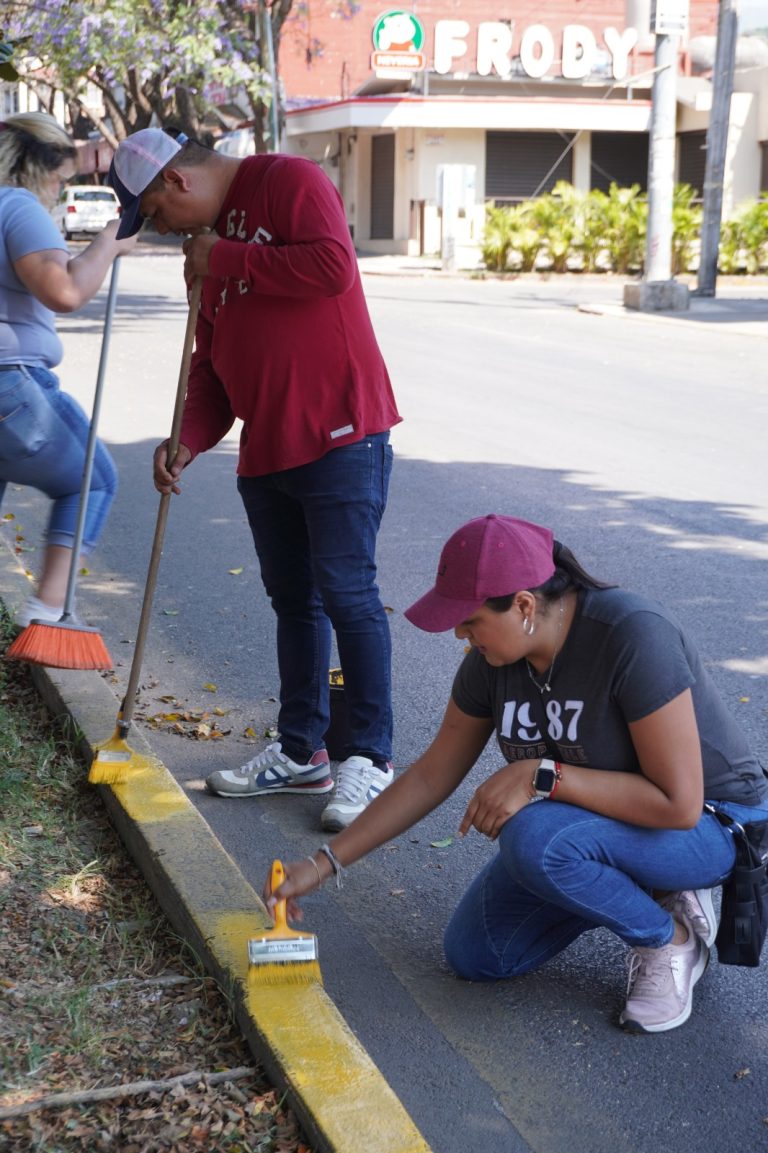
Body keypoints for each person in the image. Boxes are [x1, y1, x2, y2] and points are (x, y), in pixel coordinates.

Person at [267, 514, 768, 1034]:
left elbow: (678, 804)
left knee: (534, 838)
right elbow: (430, 776)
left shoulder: (632, 635)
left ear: (524, 605)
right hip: (602, 820)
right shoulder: (491, 664)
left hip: (710, 822)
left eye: (470, 620)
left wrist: (542, 776)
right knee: (478, 953)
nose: (460, 634)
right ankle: (641, 881)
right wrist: (322, 863)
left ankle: (669, 940)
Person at [108, 128, 401, 831]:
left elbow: (332, 266)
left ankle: (370, 758)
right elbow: (211, 369)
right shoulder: (202, 254)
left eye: (154, 213)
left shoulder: (288, 181)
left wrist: (225, 256)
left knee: (348, 594)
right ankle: (302, 751)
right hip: (267, 451)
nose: (160, 229)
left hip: (340, 435)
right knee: (295, 603)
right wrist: (187, 438)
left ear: (176, 181)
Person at [0, 112, 135, 627]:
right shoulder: (18, 206)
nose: (58, 192)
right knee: (91, 481)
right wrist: (111, 241)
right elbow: (65, 291)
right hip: (11, 384)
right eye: (59, 180)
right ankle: (47, 613)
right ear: (35, 167)